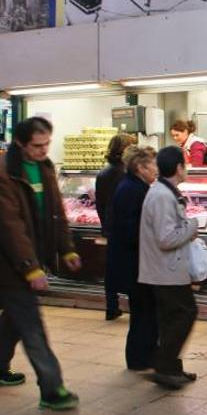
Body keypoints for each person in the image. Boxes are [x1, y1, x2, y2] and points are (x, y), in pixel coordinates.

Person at [0, 117, 81, 410]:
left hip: (30, 258)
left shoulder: (46, 168)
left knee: (13, 320)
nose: (44, 149)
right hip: (9, 265)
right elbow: (10, 226)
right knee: (32, 326)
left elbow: (55, 212)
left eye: (47, 143)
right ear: (20, 143)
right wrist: (29, 267)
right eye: (37, 145)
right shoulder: (5, 172)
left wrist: (67, 248)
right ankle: (52, 389)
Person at [139, 146, 200, 389]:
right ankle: (163, 365)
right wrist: (193, 226)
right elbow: (166, 239)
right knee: (186, 313)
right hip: (165, 270)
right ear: (178, 168)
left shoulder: (163, 191)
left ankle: (171, 368)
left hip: (165, 269)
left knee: (170, 318)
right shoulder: (163, 195)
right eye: (185, 164)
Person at [108, 145, 159, 371]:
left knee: (143, 312)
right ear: (140, 167)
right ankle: (139, 359)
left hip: (134, 261)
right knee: (143, 312)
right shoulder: (133, 190)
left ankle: (142, 356)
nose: (156, 169)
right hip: (134, 263)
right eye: (153, 165)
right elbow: (132, 229)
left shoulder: (134, 186)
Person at [96, 133, 137, 320]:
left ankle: (111, 306)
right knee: (130, 267)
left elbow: (100, 203)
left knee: (111, 268)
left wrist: (105, 225)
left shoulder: (104, 172)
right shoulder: (126, 174)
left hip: (111, 227)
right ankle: (135, 304)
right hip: (125, 226)